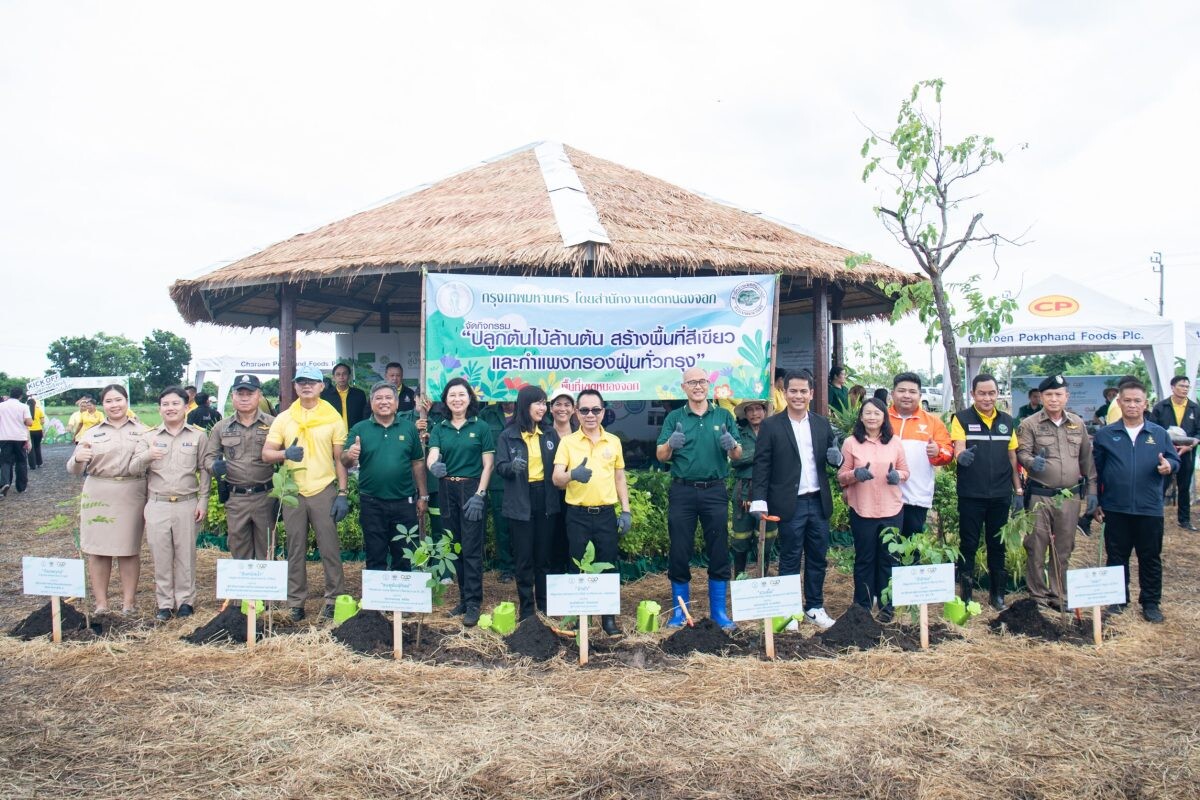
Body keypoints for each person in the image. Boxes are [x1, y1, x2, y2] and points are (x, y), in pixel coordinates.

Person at [749, 370, 843, 630]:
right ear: (785, 393)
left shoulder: (822, 424)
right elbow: (762, 465)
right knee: (790, 556)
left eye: (803, 391)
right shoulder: (771, 425)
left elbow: (831, 456)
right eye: (793, 391)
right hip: (790, 502)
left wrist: (839, 459)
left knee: (817, 557)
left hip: (818, 500)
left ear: (811, 394)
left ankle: (814, 607)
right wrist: (759, 499)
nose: (798, 396)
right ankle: (789, 611)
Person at [656, 367, 743, 631]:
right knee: (680, 550)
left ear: (709, 385)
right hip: (682, 491)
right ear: (683, 388)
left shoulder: (724, 415)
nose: (697, 386)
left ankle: (718, 611)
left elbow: (738, 454)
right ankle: (680, 613)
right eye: (691, 382)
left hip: (714, 491)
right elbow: (661, 455)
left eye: (702, 381)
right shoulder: (674, 417)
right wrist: (671, 443)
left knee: (718, 549)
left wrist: (732, 446)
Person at [263, 364, 350, 621]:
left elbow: (339, 459)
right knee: (295, 548)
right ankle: (296, 602)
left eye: (311, 381)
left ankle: (334, 599)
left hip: (323, 489)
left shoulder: (333, 418)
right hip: (293, 491)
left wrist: (342, 493)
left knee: (329, 548)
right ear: (295, 386)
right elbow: (267, 453)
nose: (306, 385)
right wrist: (284, 454)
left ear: (322, 386)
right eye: (301, 381)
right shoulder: (284, 418)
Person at [1093, 380, 1179, 623]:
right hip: (1115, 507)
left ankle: (1151, 602)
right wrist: (1097, 502)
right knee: (1116, 556)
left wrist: (1168, 466)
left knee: (1150, 556)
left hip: (1149, 507)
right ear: (1118, 403)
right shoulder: (1105, 435)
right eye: (1127, 400)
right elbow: (1096, 471)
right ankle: (1118, 600)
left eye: (1137, 401)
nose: (1132, 405)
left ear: (1145, 403)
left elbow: (1175, 460)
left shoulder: (1159, 434)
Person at [1016, 374, 1096, 611]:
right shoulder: (1029, 424)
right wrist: (1031, 463)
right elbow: (1022, 452)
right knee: (1036, 546)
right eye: (1048, 395)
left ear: (1066, 397)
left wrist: (1092, 491)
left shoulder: (1077, 424)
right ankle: (1038, 596)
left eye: (1058, 394)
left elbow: (1087, 460)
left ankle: (1059, 594)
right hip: (1041, 496)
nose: (1053, 399)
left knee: (1064, 547)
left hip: (1070, 497)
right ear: (1041, 397)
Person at [553, 388, 630, 636]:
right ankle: (578, 618)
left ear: (603, 412)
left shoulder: (614, 442)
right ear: (576, 413)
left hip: (606, 514)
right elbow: (556, 478)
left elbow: (619, 477)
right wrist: (573, 475)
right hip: (577, 515)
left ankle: (608, 620)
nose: (590, 415)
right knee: (577, 565)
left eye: (595, 410)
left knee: (608, 566)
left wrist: (625, 510)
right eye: (584, 410)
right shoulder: (568, 442)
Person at [65, 384, 147, 614]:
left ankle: (129, 603)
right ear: (103, 405)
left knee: (129, 549)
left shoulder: (143, 430)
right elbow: (73, 468)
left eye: (118, 399)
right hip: (99, 492)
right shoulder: (90, 433)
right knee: (98, 550)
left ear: (126, 401)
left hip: (132, 492)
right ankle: (101, 604)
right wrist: (78, 459)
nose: (115, 405)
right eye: (109, 401)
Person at [131, 387, 211, 622]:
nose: (170, 408)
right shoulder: (149, 437)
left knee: (186, 555)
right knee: (161, 555)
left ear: (186, 407)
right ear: (159, 408)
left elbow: (205, 470)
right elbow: (133, 467)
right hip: (157, 504)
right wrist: (148, 456)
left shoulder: (198, 436)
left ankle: (186, 601)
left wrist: (203, 500)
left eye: (175, 404)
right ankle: (164, 603)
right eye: (165, 404)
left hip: (187, 503)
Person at [426, 377, 494, 627]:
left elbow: (489, 464)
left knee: (472, 547)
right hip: (446, 488)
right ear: (445, 399)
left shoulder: (481, 427)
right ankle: (464, 599)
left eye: (462, 395)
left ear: (469, 399)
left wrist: (480, 494)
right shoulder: (439, 428)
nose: (457, 399)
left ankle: (475, 602)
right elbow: (432, 456)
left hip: (471, 489)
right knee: (454, 546)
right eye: (452, 395)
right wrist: (434, 466)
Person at [950, 373, 1022, 610]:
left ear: (997, 394)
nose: (987, 398)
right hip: (971, 494)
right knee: (968, 544)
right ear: (973, 394)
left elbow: (1013, 457)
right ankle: (966, 595)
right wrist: (962, 456)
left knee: (997, 545)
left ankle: (997, 596)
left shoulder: (1007, 422)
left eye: (992, 393)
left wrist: (1018, 490)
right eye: (982, 393)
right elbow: (958, 448)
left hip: (1000, 495)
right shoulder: (961, 418)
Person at [343, 382, 428, 572]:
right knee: (375, 554)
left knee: (404, 554)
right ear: (371, 403)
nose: (384, 402)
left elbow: (417, 463)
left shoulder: (409, 429)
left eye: (388, 398)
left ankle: (401, 598)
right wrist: (350, 455)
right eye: (378, 398)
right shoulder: (360, 429)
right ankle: (376, 601)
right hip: (371, 501)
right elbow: (345, 461)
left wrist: (423, 496)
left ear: (396, 403)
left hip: (404, 502)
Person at [837, 397, 909, 619]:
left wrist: (898, 476)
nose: (872, 417)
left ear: (884, 417)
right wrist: (854, 475)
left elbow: (905, 471)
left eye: (877, 413)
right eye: (867, 413)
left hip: (892, 510)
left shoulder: (895, 442)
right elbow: (841, 476)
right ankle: (862, 606)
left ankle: (887, 608)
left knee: (889, 559)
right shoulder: (851, 443)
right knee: (864, 559)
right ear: (861, 416)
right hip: (862, 509)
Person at [495, 386, 562, 620]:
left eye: (545, 403)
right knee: (523, 559)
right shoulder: (508, 434)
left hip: (546, 498)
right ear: (525, 405)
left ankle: (544, 607)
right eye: (539, 403)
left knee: (543, 558)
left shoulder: (550, 434)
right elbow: (499, 466)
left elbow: (559, 466)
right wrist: (511, 468)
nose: (543, 408)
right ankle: (526, 610)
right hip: (520, 499)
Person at [205, 374, 276, 560]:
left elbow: (284, 455)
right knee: (238, 548)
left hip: (266, 496)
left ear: (259, 395)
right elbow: (208, 458)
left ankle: (266, 588)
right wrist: (214, 466)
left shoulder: (273, 424)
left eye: (249, 393)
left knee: (267, 547)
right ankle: (242, 588)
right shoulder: (221, 427)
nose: (245, 398)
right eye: (240, 393)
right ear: (232, 396)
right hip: (236, 498)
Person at [888, 372, 953, 536]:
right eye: (902, 391)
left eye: (912, 392)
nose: (906, 395)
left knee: (911, 549)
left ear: (920, 395)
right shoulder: (881, 419)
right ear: (892, 393)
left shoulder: (932, 422)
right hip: (884, 495)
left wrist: (938, 451)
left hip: (916, 497)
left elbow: (948, 451)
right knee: (886, 548)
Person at [728, 398, 776, 577]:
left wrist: (752, 456)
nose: (755, 413)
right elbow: (736, 459)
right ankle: (739, 577)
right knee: (741, 536)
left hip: (769, 491)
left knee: (767, 535)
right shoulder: (738, 434)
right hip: (744, 491)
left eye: (758, 409)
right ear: (745, 414)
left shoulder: (774, 431)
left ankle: (762, 576)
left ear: (765, 411)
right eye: (750, 410)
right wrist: (762, 453)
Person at [1150, 375, 1199, 531]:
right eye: (1182, 386)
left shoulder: (1195, 408)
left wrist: (1192, 444)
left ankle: (1184, 519)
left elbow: (1199, 432)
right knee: (1161, 485)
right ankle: (1156, 517)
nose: (1185, 389)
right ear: (1172, 387)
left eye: (1187, 387)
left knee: (1184, 486)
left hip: (1187, 452)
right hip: (1165, 453)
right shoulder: (1161, 407)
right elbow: (1151, 429)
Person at [480, 401, 516, 582]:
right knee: (502, 526)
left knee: (524, 525)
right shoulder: (486, 414)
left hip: (523, 478)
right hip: (497, 479)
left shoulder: (528, 410)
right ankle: (506, 568)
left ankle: (525, 565)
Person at [547, 390, 576, 574]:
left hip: (575, 495)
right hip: (549, 496)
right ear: (551, 408)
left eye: (567, 405)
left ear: (574, 409)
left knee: (573, 538)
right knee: (552, 539)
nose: (562, 408)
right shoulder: (543, 433)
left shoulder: (582, 433)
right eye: (558, 404)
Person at [0, 386, 32, 496]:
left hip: (4, 437)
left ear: (10, 394)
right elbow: (29, 423)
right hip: (20, 437)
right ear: (20, 396)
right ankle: (21, 487)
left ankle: (5, 482)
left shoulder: (1, 406)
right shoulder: (24, 406)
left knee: (5, 461)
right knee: (21, 462)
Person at [321, 363, 368, 428]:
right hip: (333, 434)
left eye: (344, 374)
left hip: (354, 433)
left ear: (349, 376)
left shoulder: (359, 394)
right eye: (338, 374)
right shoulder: (325, 395)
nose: (341, 377)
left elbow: (364, 416)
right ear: (334, 377)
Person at [26, 396, 45, 470]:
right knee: (37, 447)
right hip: (38, 430)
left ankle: (32, 465)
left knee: (30, 448)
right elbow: (42, 421)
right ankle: (39, 462)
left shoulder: (26, 410)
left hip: (29, 431)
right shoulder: (39, 410)